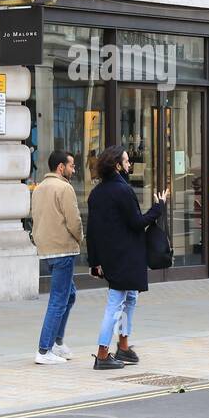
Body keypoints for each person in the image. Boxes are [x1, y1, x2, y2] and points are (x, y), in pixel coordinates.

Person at [86, 145, 168, 371]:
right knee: (115, 304)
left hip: (114, 257)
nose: (129, 164)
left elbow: (91, 231)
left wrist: (94, 262)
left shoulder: (97, 192)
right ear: (117, 165)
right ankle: (103, 353)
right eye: (126, 161)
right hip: (124, 257)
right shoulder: (122, 191)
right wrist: (158, 208)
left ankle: (123, 344)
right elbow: (137, 223)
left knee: (130, 298)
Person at [30, 150, 83, 365]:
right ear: (61, 167)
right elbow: (74, 220)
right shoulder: (64, 188)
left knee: (69, 294)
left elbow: (35, 217)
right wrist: (80, 238)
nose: (73, 169)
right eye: (71, 166)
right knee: (59, 299)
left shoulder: (39, 188)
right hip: (63, 249)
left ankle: (58, 343)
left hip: (47, 250)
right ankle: (44, 349)